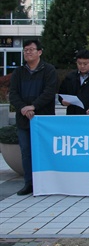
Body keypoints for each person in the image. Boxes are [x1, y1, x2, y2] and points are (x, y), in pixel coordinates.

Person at [9, 39, 57, 196]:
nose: (28, 52)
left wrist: (34, 106)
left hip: (43, 119)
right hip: (24, 119)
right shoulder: (19, 72)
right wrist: (23, 108)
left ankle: (47, 182)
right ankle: (29, 183)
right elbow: (13, 94)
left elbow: (49, 92)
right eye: (25, 50)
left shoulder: (48, 70)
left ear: (40, 52)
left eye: (31, 49)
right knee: (26, 152)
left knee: (45, 151)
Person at [58, 49, 89, 115]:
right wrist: (62, 101)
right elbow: (62, 93)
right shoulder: (70, 77)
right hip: (73, 114)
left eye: (85, 64)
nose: (82, 66)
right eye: (79, 63)